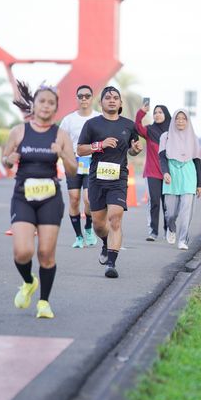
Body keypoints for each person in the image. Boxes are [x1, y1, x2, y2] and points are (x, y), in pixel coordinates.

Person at [2, 82, 76, 320]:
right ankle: (28, 281)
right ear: (33, 105)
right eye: (42, 101)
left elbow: (73, 170)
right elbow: (5, 159)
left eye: (51, 103)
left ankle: (44, 302)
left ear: (56, 108)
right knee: (22, 252)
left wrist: (62, 154)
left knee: (46, 253)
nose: (46, 106)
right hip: (23, 197)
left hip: (50, 199)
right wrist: (9, 159)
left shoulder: (60, 135)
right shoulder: (19, 132)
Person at [77, 86, 143, 278]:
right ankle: (106, 243)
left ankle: (111, 264)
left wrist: (135, 150)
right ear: (101, 103)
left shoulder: (129, 126)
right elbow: (80, 150)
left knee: (115, 218)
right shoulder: (92, 124)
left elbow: (131, 150)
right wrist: (100, 145)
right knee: (99, 224)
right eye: (108, 97)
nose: (112, 100)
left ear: (120, 103)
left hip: (118, 178)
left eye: (115, 97)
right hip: (97, 179)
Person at [59, 85, 100, 248]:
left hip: (92, 161)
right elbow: (60, 141)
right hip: (74, 162)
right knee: (74, 199)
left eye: (87, 96)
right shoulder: (68, 120)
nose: (84, 99)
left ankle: (88, 228)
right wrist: (65, 156)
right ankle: (78, 236)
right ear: (76, 98)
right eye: (80, 96)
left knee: (88, 199)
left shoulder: (98, 118)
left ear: (92, 98)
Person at [159, 108, 201, 250]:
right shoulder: (165, 137)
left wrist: (199, 184)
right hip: (171, 174)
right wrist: (165, 172)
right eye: (177, 118)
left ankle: (183, 240)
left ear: (188, 121)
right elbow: (162, 157)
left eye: (183, 119)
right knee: (171, 213)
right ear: (173, 120)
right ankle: (171, 228)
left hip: (189, 174)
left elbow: (197, 161)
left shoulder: (194, 138)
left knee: (186, 211)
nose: (180, 121)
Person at [135, 100, 171, 241]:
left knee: (168, 205)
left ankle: (169, 230)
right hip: (152, 173)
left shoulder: (173, 132)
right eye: (155, 112)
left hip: (169, 173)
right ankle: (153, 232)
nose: (157, 114)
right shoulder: (149, 130)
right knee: (154, 202)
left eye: (160, 112)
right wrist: (142, 112)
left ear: (166, 114)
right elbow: (137, 127)